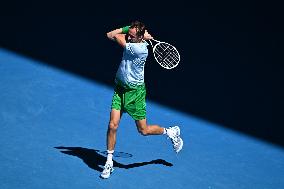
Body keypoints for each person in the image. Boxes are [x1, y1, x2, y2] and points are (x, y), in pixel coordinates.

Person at [101, 21, 183, 179]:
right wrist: (131, 31)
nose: (129, 38)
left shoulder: (140, 49)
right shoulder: (136, 41)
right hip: (120, 89)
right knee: (112, 125)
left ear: (139, 37)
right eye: (128, 35)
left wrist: (130, 34)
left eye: (131, 36)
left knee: (143, 131)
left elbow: (116, 36)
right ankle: (109, 162)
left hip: (135, 94)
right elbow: (109, 35)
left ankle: (170, 132)